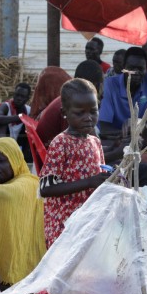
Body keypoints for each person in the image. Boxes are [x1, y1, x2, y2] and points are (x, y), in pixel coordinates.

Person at [39, 79, 108, 247]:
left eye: (93, 111)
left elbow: (100, 177)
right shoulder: (60, 143)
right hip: (63, 226)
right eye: (80, 113)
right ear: (64, 112)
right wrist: (89, 182)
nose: (88, 118)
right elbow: (46, 188)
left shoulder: (95, 142)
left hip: (87, 222)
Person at [0, 138, 45, 289]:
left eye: (0, 161)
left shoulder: (30, 182)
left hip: (23, 269)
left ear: (14, 161)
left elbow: (5, 194)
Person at [98, 46, 147, 134]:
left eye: (140, 69)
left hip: (140, 136)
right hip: (114, 138)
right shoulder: (110, 85)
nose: (136, 72)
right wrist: (131, 133)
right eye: (131, 68)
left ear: (146, 68)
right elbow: (104, 127)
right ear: (123, 67)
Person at [36, 60, 104, 148]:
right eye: (101, 84)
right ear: (94, 85)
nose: (102, 91)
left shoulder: (70, 100)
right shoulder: (73, 107)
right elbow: (86, 151)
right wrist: (118, 151)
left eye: (93, 112)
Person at [0, 83, 32, 161]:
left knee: (30, 128)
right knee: (3, 122)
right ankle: (1, 153)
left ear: (27, 99)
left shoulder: (29, 111)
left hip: (17, 145)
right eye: (17, 95)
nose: (19, 98)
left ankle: (24, 160)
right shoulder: (6, 106)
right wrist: (19, 117)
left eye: (22, 96)